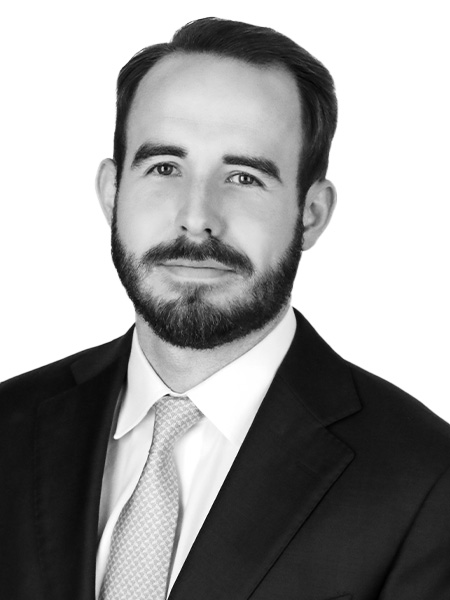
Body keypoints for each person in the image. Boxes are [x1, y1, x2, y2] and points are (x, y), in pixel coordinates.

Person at [1, 16, 449, 600]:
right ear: (112, 193)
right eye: (164, 168)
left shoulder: (426, 482)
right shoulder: (9, 426)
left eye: (244, 176)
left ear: (311, 214)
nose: (197, 217)